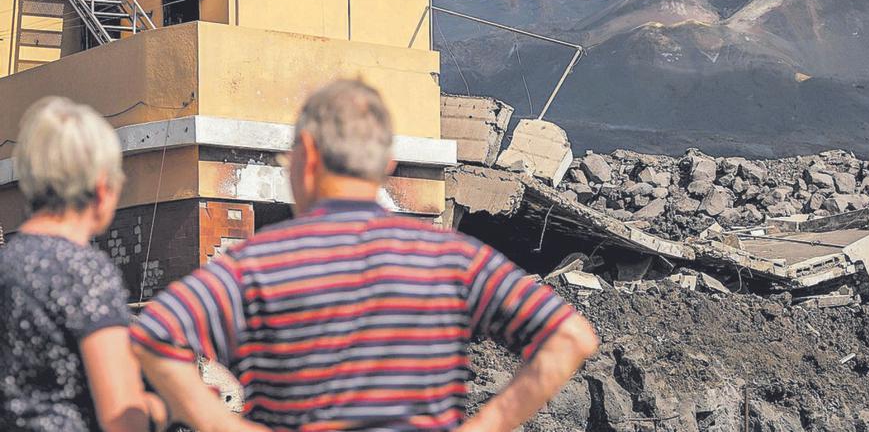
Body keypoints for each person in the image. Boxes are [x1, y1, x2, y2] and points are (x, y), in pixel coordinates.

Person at [131, 79, 600, 431]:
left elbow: (153, 336)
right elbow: (571, 338)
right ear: (386, 164)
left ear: (306, 157)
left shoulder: (258, 264)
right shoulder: (452, 260)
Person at [0, 98, 166, 431]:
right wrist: (163, 410)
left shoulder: (7, 264)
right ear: (102, 189)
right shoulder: (83, 273)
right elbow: (122, 418)